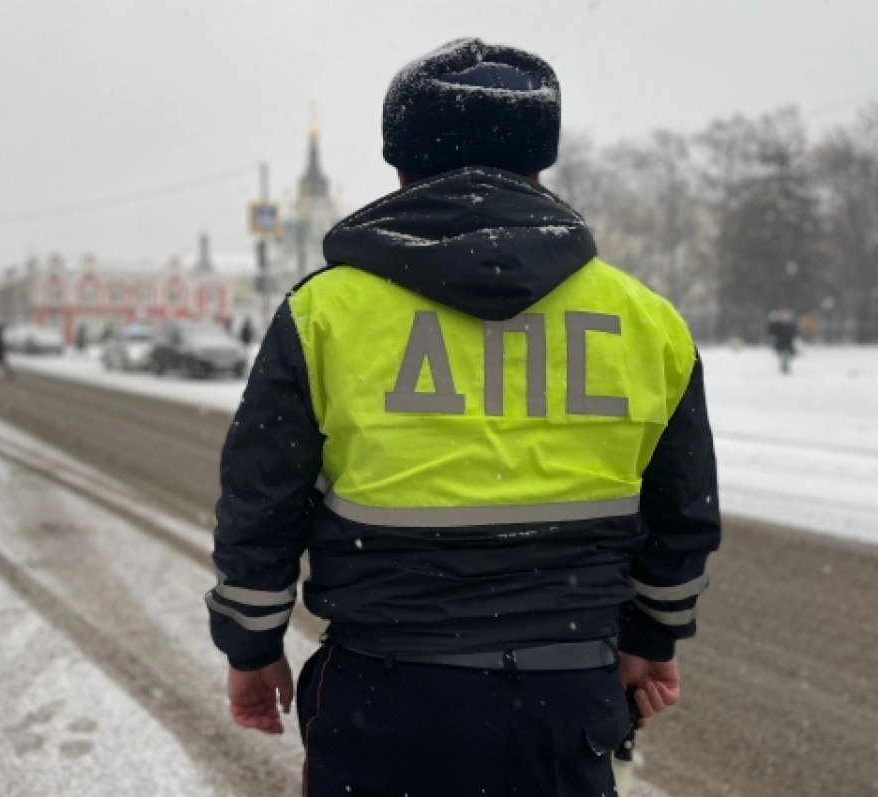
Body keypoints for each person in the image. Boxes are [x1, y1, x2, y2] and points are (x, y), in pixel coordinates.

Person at [206, 38, 721, 796]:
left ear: (402, 167)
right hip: (564, 698)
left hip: (385, 697)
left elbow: (260, 502)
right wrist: (649, 640)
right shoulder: (646, 320)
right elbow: (682, 517)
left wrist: (252, 647)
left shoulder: (325, 313)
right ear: (538, 164)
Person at [767, 309, 798, 374]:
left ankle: (785, 366)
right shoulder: (776, 325)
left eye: (786, 316)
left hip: (788, 344)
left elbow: (794, 335)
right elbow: (771, 332)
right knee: (782, 355)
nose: (785, 318)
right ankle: (784, 366)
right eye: (783, 316)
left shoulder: (791, 326)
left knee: (787, 355)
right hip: (779, 344)